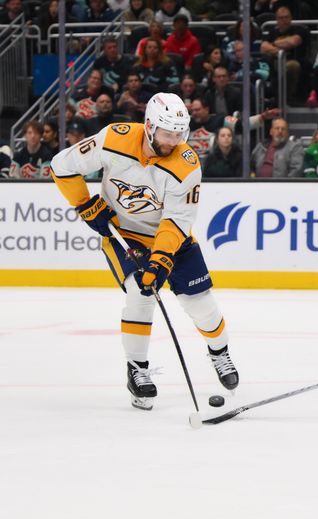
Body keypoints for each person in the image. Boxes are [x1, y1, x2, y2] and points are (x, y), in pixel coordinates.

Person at [49, 92, 239, 410]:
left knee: (202, 306)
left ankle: (220, 353)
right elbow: (61, 166)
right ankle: (137, 369)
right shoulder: (114, 138)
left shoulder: (187, 164)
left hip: (172, 239)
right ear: (149, 126)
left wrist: (161, 258)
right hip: (124, 234)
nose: (174, 140)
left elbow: (176, 220)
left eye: (180, 133)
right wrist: (84, 203)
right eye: (168, 133)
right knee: (141, 291)